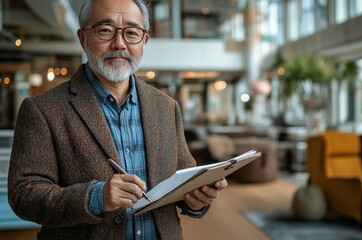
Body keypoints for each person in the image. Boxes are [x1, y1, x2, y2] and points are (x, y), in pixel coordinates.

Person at [7, 0, 228, 239]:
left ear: (144, 41)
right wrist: (97, 197)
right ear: (83, 38)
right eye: (105, 30)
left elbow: (183, 179)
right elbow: (24, 195)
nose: (119, 43)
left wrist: (197, 200)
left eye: (132, 33)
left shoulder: (166, 107)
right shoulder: (42, 109)